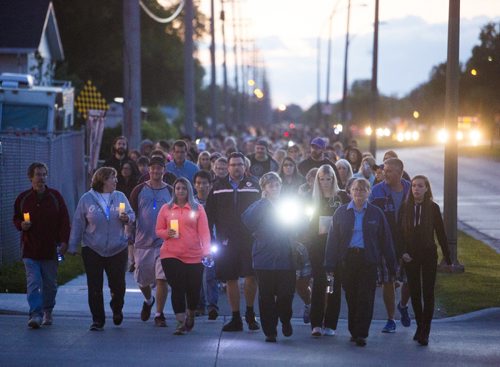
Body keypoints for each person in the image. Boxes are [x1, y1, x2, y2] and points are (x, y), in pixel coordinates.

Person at [325, 178, 397, 347]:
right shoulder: (341, 212)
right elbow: (332, 240)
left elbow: (386, 240)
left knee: (366, 297)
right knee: (352, 297)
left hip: (368, 260)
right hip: (347, 260)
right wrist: (329, 263)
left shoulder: (376, 213)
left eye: (363, 190)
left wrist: (392, 264)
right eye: (356, 189)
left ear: (368, 192)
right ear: (349, 192)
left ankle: (361, 333)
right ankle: (353, 330)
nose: (359, 193)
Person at [68, 167, 135, 331]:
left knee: (118, 285)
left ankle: (117, 308)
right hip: (92, 248)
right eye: (113, 178)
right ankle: (98, 319)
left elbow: (131, 214)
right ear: (103, 179)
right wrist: (72, 245)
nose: (116, 181)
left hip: (117, 248)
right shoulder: (87, 199)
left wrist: (127, 218)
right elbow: (78, 222)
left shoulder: (120, 197)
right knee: (95, 286)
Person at [205, 152, 261, 332]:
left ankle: (250, 314)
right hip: (226, 241)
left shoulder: (255, 186)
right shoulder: (218, 187)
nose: (236, 168)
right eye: (233, 165)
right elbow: (209, 215)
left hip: (250, 239)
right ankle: (236, 317)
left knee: (251, 277)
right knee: (231, 278)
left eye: (240, 164)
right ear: (227, 167)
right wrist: (210, 239)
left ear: (245, 167)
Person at [13, 162, 71, 329]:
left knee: (50, 284)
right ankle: (35, 314)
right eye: (38, 174)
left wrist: (64, 242)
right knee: (34, 282)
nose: (42, 178)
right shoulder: (23, 198)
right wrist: (20, 225)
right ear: (31, 177)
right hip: (30, 248)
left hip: (50, 249)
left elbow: (64, 221)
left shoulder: (55, 197)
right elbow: (16, 218)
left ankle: (48, 310)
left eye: (44, 174)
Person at [241, 172, 297, 342]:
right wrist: (264, 202)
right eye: (270, 185)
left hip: (286, 257)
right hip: (264, 257)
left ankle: (285, 319)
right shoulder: (259, 205)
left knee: (285, 295)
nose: (275, 188)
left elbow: (299, 223)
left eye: (277, 185)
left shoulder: (288, 204)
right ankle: (270, 331)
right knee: (266, 297)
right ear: (264, 188)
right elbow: (247, 220)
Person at [401, 175, 452, 346]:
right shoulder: (404, 207)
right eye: (414, 186)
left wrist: (448, 257)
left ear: (426, 189)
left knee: (428, 292)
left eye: (420, 186)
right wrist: (402, 252)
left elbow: (440, 233)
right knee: (415, 292)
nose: (416, 188)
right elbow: (397, 233)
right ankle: (419, 325)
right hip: (410, 256)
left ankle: (425, 331)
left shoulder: (433, 208)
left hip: (429, 254)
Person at [156, 177, 211, 335]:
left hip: (194, 255)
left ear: (188, 190)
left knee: (193, 289)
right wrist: (168, 233)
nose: (180, 191)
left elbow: (204, 232)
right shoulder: (166, 208)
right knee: (177, 288)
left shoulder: (197, 208)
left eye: (183, 188)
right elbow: (158, 230)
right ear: (174, 190)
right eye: (177, 188)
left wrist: (206, 251)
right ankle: (180, 322)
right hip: (171, 254)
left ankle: (190, 313)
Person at [129, 157, 172, 327]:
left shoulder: (170, 190)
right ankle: (149, 300)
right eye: (153, 168)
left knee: (162, 279)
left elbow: (175, 213)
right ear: (148, 170)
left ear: (164, 170)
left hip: (164, 243)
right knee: (143, 281)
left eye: (159, 168)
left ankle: (159, 314)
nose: (156, 171)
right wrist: (129, 239)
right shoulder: (139, 190)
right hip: (142, 243)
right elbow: (131, 215)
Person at [369, 158, 411, 333]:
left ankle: (403, 305)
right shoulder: (377, 191)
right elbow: (368, 214)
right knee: (388, 281)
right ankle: (390, 319)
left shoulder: (411, 189)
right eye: (384, 170)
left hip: (409, 242)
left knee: (411, 279)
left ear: (400, 173)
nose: (384, 174)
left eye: (389, 171)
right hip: (385, 242)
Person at [307, 164, 349, 337]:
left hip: (336, 247)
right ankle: (316, 323)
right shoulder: (312, 198)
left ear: (334, 179)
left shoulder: (341, 197)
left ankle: (330, 323)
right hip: (317, 246)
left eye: (328, 179)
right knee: (318, 284)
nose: (325, 182)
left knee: (333, 285)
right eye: (322, 179)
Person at [193, 170, 220, 320]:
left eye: (204, 183)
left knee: (210, 275)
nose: (201, 186)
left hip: (211, 243)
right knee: (196, 275)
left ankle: (212, 306)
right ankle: (199, 305)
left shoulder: (216, 201)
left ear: (210, 185)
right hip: (195, 244)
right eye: (198, 183)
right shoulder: (192, 203)